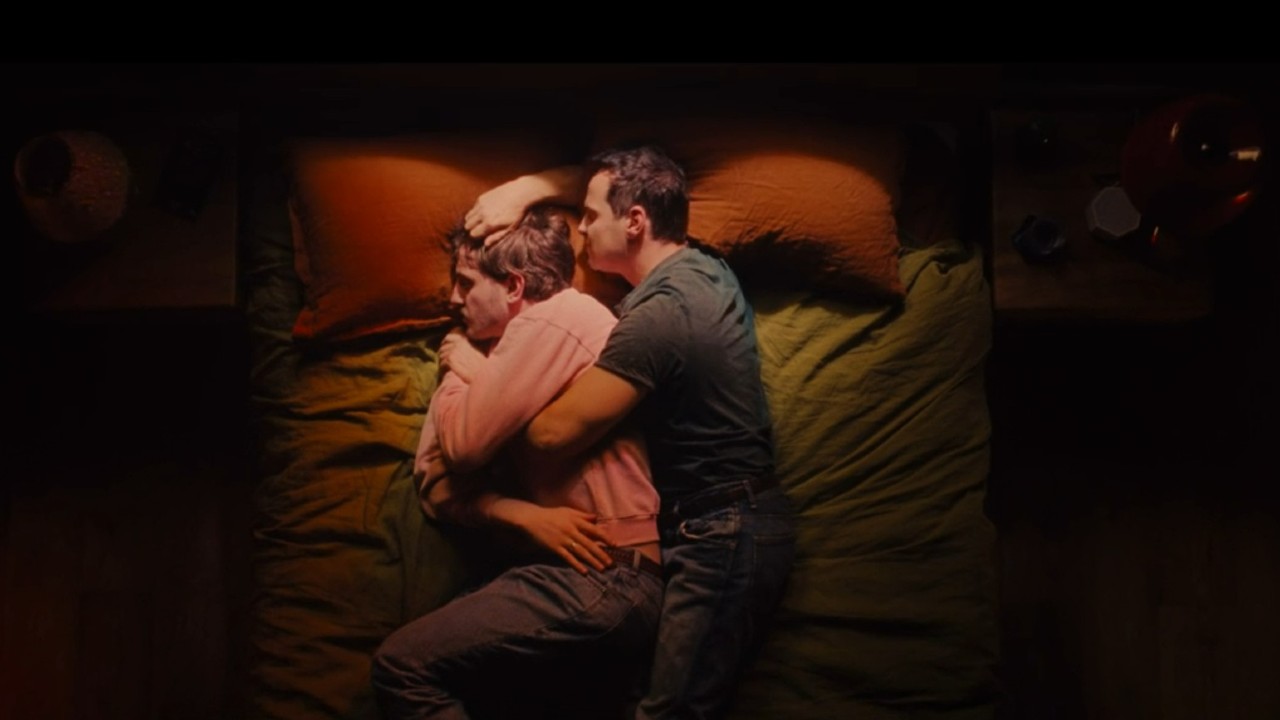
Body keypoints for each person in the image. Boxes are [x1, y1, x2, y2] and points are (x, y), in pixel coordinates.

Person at [464, 145, 798, 720]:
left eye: (591, 215)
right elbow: (633, 178)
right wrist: (527, 189)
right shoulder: (706, 265)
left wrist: (480, 376)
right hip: (719, 522)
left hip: (723, 529)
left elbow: (550, 436)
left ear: (636, 221)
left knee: (671, 710)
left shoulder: (660, 317)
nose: (581, 229)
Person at [371, 208, 664, 720]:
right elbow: (434, 484)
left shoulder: (564, 316)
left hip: (608, 573)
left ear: (513, 285)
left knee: (401, 667)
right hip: (567, 573)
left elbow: (462, 448)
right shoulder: (495, 355)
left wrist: (463, 368)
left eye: (466, 283)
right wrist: (516, 513)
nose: (453, 299)